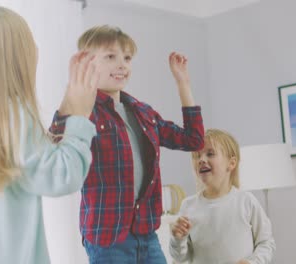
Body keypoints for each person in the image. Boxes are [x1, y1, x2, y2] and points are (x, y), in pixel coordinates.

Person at [0, 7, 100, 264]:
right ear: (18, 57)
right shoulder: (16, 115)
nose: (36, 49)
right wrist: (80, 118)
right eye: (30, 41)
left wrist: (67, 109)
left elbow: (33, 163)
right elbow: (61, 175)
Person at [48, 25, 204, 263]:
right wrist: (74, 92)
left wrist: (183, 83)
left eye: (127, 58)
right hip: (108, 240)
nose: (122, 64)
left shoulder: (143, 113)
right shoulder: (85, 111)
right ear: (87, 64)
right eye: (111, 57)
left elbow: (193, 140)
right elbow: (55, 148)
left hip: (147, 234)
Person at [169, 129, 276, 264]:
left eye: (210, 154)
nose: (201, 159)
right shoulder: (188, 206)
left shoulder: (246, 201)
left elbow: (266, 243)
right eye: (197, 155)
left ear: (231, 163)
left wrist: (253, 262)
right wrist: (177, 239)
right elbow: (180, 258)